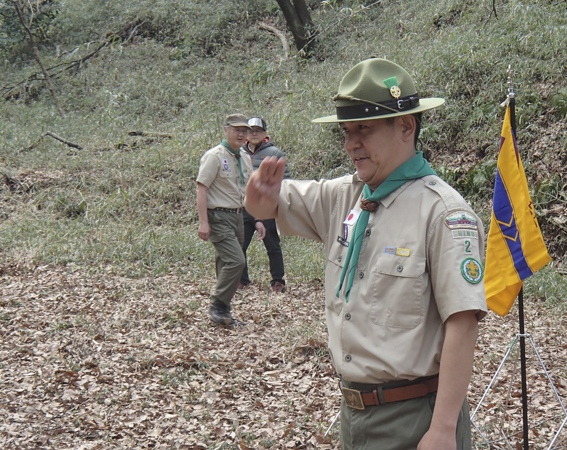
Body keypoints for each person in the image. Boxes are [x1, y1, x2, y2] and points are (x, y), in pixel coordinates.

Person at [245, 58, 488, 449]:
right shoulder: (347, 195)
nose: (351, 143)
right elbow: (270, 205)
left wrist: (442, 429)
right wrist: (259, 199)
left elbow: (463, 322)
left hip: (416, 417)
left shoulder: (442, 212)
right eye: (346, 131)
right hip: (354, 415)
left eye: (365, 129)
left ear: (406, 126)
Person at [196, 113, 258, 326]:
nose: (241, 134)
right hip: (218, 216)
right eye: (236, 129)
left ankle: (224, 312)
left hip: (239, 216)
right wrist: (203, 222)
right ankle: (218, 304)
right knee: (236, 261)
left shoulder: (245, 157)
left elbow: (247, 191)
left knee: (225, 262)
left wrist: (257, 219)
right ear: (226, 130)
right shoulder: (215, 156)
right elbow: (201, 188)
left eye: (245, 130)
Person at [240, 117, 290, 293]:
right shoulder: (239, 153)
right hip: (244, 208)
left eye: (258, 131)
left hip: (266, 208)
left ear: (265, 134)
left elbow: (285, 180)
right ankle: (242, 279)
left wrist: (275, 202)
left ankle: (278, 280)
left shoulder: (274, 153)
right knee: (240, 245)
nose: (254, 133)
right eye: (251, 130)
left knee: (272, 245)